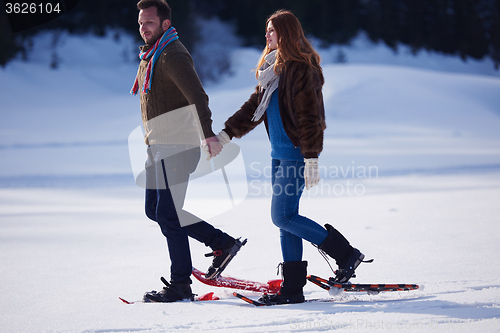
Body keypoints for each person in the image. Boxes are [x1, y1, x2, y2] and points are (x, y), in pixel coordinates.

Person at [212, 10, 369, 305]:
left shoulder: (301, 69)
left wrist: (311, 157)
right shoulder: (274, 72)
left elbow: (312, 117)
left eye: (272, 31)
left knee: (282, 216)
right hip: (279, 156)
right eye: (266, 31)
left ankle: (346, 254)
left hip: (296, 155)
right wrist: (225, 135)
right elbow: (252, 109)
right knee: (287, 220)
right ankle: (292, 289)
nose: (267, 36)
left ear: (286, 33)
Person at [131, 0, 245, 303]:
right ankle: (221, 243)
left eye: (150, 22)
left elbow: (197, 96)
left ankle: (181, 284)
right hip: (157, 147)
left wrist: (208, 134)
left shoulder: (171, 55)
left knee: (168, 215)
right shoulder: (151, 55)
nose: (143, 28)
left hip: (178, 147)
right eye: (141, 22)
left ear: (165, 24)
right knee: (155, 210)